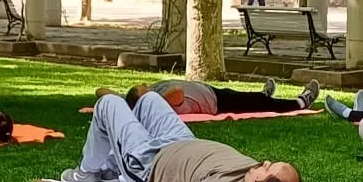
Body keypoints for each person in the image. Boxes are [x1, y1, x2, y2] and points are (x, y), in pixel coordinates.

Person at [65, 91, 303, 182]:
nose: (266, 162)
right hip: (180, 140)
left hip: (149, 164)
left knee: (108, 103)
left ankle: (87, 172)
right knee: (149, 99)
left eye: (269, 168)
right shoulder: (252, 173)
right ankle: (110, 168)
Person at [124, 77, 320, 116]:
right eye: (144, 90)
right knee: (259, 104)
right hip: (216, 103)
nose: (146, 86)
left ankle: (262, 96)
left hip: (210, 91)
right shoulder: (164, 104)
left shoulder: (155, 92)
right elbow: (178, 93)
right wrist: (155, 100)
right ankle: (300, 102)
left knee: (250, 99)